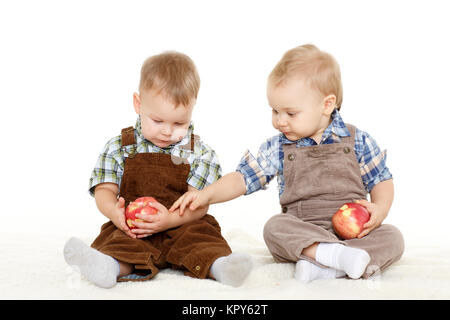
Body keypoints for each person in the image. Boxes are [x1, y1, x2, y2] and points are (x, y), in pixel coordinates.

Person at [170, 44, 404, 283]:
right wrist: (206, 195)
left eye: (290, 113)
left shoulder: (358, 140)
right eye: (274, 111)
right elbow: (242, 178)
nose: (280, 121)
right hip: (303, 229)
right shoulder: (278, 148)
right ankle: (331, 256)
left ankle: (327, 267)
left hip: (354, 232)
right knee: (274, 227)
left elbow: (381, 179)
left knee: (393, 237)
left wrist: (381, 208)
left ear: (326, 105)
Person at [63, 51, 252, 288]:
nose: (167, 131)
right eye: (158, 121)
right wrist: (115, 213)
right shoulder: (120, 147)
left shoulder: (200, 153)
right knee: (118, 242)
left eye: (179, 123)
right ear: (138, 103)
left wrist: (170, 219)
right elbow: (104, 190)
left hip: (183, 225)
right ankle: (107, 267)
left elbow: (199, 203)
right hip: (134, 228)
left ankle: (221, 267)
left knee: (203, 238)